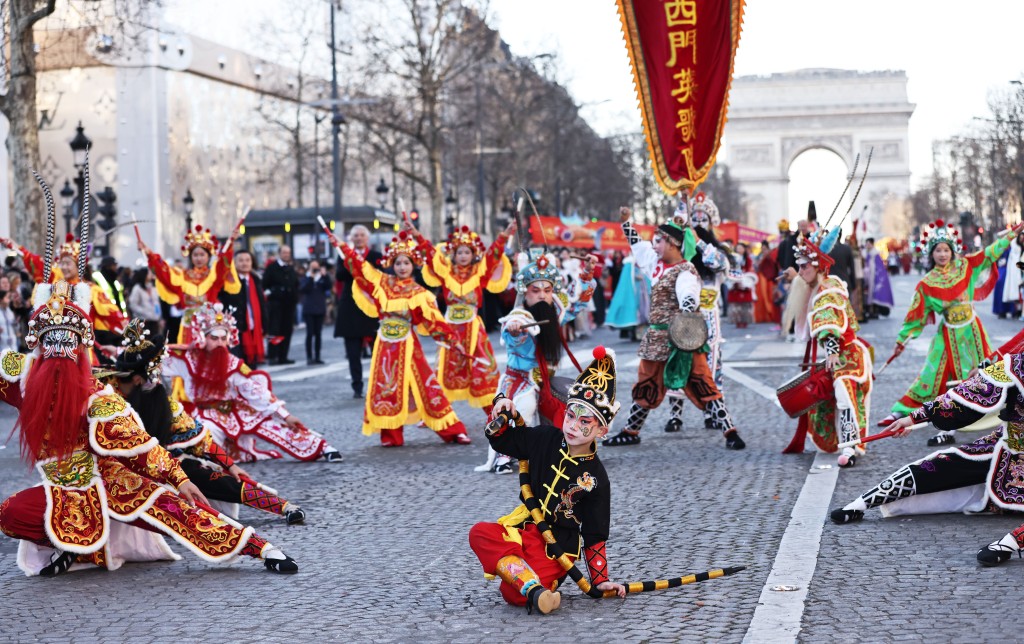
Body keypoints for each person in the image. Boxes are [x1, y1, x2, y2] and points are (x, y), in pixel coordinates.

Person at [0, 234, 297, 576]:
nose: (57, 356)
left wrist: (180, 478)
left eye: (65, 347)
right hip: (59, 485)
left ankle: (259, 546)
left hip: (111, 478)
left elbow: (143, 447)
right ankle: (83, 552)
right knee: (9, 513)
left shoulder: (98, 397)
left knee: (180, 508)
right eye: (50, 346)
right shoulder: (21, 378)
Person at [469, 346, 625, 614]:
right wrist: (502, 405)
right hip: (527, 528)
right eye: (570, 415)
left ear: (602, 430)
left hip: (558, 548)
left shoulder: (597, 478)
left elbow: (595, 535)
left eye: (584, 421)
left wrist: (599, 582)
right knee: (480, 532)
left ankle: (531, 588)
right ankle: (536, 589)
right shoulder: (545, 437)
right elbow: (507, 441)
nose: (573, 426)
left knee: (511, 593)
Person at [827, 356, 1024, 567]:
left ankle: (1011, 542)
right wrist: (913, 419)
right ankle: (862, 503)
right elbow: (969, 394)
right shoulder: (1018, 363)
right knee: (942, 463)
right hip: (1009, 446)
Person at [107, 319, 305, 525]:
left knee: (215, 478)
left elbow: (198, 437)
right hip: (113, 466)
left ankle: (283, 506)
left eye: (223, 338)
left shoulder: (163, 402)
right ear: (137, 379)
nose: (157, 383)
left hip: (163, 461)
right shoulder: (105, 395)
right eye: (153, 377)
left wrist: (230, 465)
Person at [602, 204, 745, 450]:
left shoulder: (686, 270)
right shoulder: (655, 264)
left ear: (672, 243)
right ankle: (631, 431)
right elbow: (639, 246)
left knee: (703, 382)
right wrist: (626, 224)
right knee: (646, 384)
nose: (654, 245)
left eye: (658, 241)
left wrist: (688, 310)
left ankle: (729, 431)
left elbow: (688, 295)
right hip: (657, 338)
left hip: (681, 337)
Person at [877, 220, 1021, 446]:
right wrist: (902, 340)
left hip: (973, 331)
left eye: (946, 250)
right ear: (931, 253)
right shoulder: (927, 283)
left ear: (952, 251)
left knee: (987, 371)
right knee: (934, 375)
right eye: (938, 250)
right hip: (948, 335)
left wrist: (1012, 234)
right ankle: (904, 412)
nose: (942, 254)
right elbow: (916, 316)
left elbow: (991, 252)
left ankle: (1001, 410)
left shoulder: (967, 266)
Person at [328, 229, 472, 447]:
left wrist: (454, 342)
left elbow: (436, 322)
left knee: (426, 386)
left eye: (406, 263)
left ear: (413, 265)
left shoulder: (420, 293)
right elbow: (360, 267)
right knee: (386, 387)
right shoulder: (381, 283)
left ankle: (454, 431)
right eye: (398, 263)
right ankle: (391, 436)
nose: (402, 267)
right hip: (385, 346)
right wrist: (341, 246)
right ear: (391, 265)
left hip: (408, 345)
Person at [163, 301, 343, 463]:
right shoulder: (187, 359)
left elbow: (257, 392)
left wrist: (285, 415)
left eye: (223, 338)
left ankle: (323, 447)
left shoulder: (233, 364)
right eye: (214, 338)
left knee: (274, 424)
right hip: (206, 416)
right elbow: (158, 362)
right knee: (204, 444)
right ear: (203, 337)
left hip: (236, 410)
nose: (219, 343)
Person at [482, 248, 597, 473]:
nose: (542, 295)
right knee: (522, 406)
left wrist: (588, 273)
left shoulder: (555, 311)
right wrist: (516, 331)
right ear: (526, 293)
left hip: (546, 380)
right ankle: (503, 456)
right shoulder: (519, 316)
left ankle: (562, 449)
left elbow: (579, 303)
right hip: (521, 380)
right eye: (536, 291)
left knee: (573, 404)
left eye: (547, 290)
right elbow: (510, 332)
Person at [780, 230, 873, 467]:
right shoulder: (818, 285)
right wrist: (795, 276)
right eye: (798, 267)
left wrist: (831, 349)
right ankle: (846, 443)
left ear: (817, 266)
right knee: (836, 400)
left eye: (804, 267)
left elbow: (830, 320)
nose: (801, 271)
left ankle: (850, 447)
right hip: (839, 354)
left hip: (847, 354)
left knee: (845, 397)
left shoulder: (829, 287)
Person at [411, 218, 514, 413]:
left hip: (473, 329)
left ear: (474, 254)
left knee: (480, 367)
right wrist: (417, 235)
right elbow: (430, 255)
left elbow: (493, 255)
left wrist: (505, 234)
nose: (464, 255)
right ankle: (437, 410)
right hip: (449, 329)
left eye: (467, 252)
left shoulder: (479, 273)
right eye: (460, 252)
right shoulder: (446, 273)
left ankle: (492, 410)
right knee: (443, 368)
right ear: (453, 254)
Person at [6, 233, 128, 349]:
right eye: (62, 263)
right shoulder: (56, 283)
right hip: (54, 346)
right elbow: (37, 263)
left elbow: (112, 315)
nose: (63, 267)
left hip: (82, 349)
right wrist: (15, 247)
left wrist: (129, 333)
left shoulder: (92, 290)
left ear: (79, 266)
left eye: (68, 263)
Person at [139, 224, 241, 345]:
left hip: (210, 322)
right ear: (191, 257)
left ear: (208, 256)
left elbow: (223, 265)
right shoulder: (182, 276)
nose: (199, 258)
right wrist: (148, 253)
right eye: (195, 255)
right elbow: (164, 273)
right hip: (188, 323)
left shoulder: (213, 276)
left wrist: (231, 242)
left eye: (202, 255)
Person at [333, 225, 382, 398]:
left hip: (372, 306)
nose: (359, 238)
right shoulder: (344, 256)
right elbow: (339, 276)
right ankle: (357, 385)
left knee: (379, 350)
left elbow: (382, 277)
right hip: (351, 307)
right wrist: (351, 264)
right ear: (351, 238)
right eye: (356, 235)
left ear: (367, 238)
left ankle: (380, 384)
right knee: (353, 352)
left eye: (362, 235)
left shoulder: (376, 257)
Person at [218, 249, 266, 369]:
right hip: (235, 327)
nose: (244, 263)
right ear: (235, 263)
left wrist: (265, 324)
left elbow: (262, 304)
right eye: (241, 260)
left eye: (247, 260)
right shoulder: (229, 281)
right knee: (236, 364)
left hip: (254, 327)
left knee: (252, 366)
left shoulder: (256, 280)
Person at [263, 245, 299, 365]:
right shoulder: (272, 267)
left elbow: (296, 284)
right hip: (275, 305)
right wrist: (273, 293)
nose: (286, 255)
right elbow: (265, 284)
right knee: (274, 330)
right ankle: (273, 356)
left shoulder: (291, 268)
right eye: (284, 253)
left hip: (288, 305)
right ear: (279, 253)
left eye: (288, 253)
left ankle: (283, 356)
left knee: (286, 330)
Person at [299, 259, 332, 365]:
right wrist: (311, 277)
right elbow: (303, 289)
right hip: (309, 309)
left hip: (319, 309)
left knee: (318, 334)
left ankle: (317, 356)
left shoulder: (322, 278)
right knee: (309, 333)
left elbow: (329, 286)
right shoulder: (306, 278)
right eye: (312, 267)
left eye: (316, 267)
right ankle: (309, 356)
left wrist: (324, 275)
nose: (314, 269)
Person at [727, 242, 755, 329]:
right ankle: (737, 321)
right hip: (734, 282)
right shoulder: (731, 260)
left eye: (741, 248)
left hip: (745, 281)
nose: (739, 250)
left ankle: (745, 321)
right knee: (736, 304)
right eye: (738, 248)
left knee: (745, 304)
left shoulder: (748, 260)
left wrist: (745, 280)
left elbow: (750, 271)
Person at [127, 268, 163, 335]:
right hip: (143, 320)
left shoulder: (153, 287)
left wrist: (159, 316)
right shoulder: (137, 288)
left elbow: (156, 303)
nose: (151, 275)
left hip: (154, 319)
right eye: (149, 273)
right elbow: (133, 305)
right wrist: (145, 312)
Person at [997, 230, 1024, 319]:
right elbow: (1000, 235)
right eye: (1020, 237)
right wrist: (1014, 229)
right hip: (1013, 270)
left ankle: (1018, 311)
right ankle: (1012, 311)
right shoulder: (1012, 244)